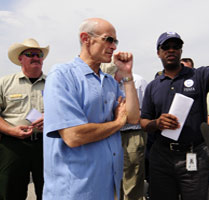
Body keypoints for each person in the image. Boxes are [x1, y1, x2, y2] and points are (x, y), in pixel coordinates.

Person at [140, 12, 209, 200]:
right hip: (161, 156)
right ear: (158, 52)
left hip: (194, 155)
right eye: (166, 47)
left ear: (181, 51)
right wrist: (157, 123)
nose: (171, 50)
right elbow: (144, 121)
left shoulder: (198, 75)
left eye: (176, 46)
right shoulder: (153, 86)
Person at [43, 18, 140, 200]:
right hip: (76, 189)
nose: (114, 46)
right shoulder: (62, 76)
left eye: (115, 41)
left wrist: (127, 75)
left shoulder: (110, 82)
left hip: (108, 185)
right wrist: (118, 122)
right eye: (109, 39)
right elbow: (73, 135)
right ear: (86, 39)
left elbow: (134, 118)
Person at [0, 38, 49, 200]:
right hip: (13, 146)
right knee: (10, 191)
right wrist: (10, 130)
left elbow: (67, 112)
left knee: (49, 191)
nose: (36, 57)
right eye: (30, 54)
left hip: (47, 145)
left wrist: (50, 119)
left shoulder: (54, 84)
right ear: (20, 59)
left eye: (39, 54)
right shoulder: (5, 83)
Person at [101, 62, 148, 200]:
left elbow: (146, 113)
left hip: (132, 135)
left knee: (132, 180)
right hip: (111, 135)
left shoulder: (138, 82)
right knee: (115, 178)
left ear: (119, 72)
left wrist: (124, 116)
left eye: (112, 77)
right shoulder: (105, 84)